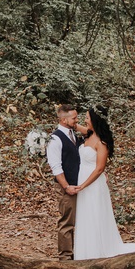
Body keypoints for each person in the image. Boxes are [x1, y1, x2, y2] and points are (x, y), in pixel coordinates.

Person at [67, 106, 135, 260]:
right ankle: (85, 252)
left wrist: (83, 185)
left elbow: (99, 169)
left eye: (87, 118)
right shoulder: (89, 134)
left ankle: (96, 251)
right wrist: (66, 120)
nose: (85, 120)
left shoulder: (102, 142)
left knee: (94, 215)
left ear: (95, 120)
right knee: (85, 216)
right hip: (83, 181)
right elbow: (74, 125)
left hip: (93, 184)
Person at [46, 104, 90, 260]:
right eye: (74, 118)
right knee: (67, 222)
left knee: (81, 219)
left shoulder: (73, 133)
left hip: (80, 185)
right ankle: (65, 257)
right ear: (63, 120)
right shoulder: (55, 139)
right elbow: (56, 167)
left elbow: (92, 133)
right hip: (68, 186)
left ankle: (78, 252)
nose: (77, 120)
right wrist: (66, 187)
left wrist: (75, 125)